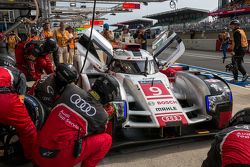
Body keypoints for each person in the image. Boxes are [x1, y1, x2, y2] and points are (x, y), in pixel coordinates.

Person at [31, 63, 112, 167]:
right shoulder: (102, 115)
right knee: (106, 139)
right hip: (55, 161)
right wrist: (105, 115)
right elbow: (98, 132)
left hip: (37, 153)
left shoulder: (71, 89)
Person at [0, 42, 37, 160]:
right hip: (5, 98)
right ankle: (30, 156)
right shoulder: (18, 73)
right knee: (28, 129)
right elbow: (21, 99)